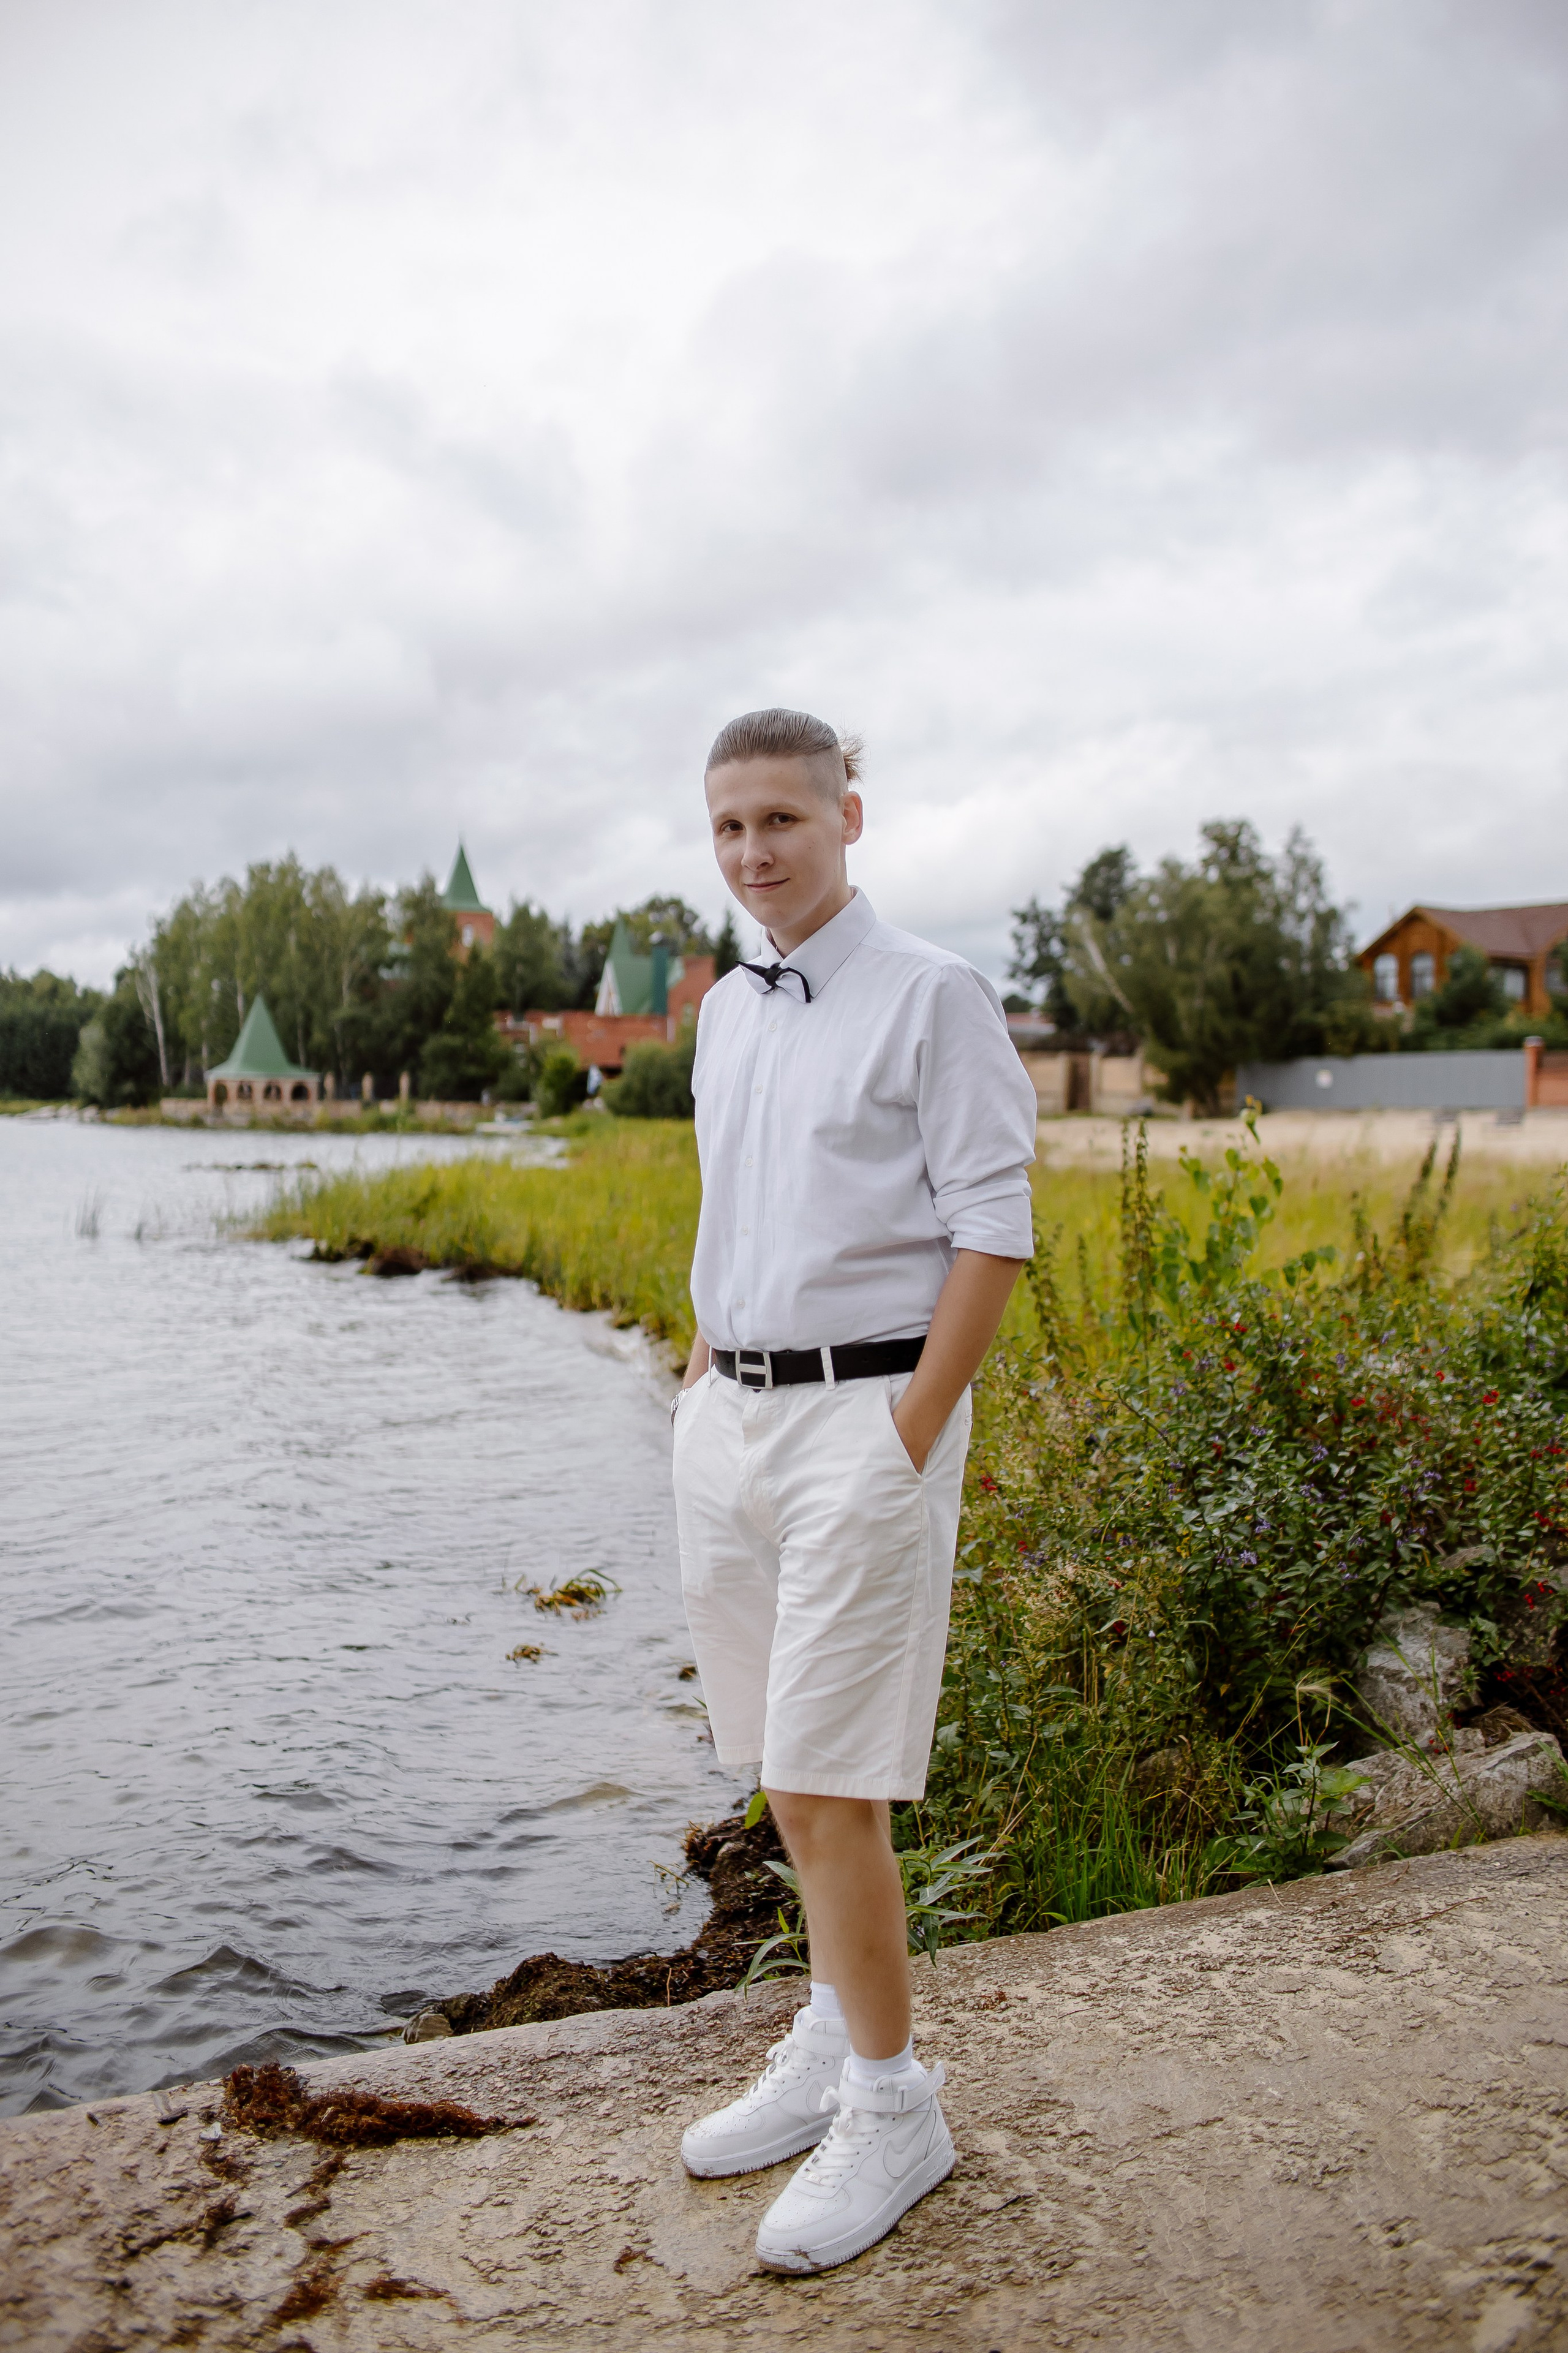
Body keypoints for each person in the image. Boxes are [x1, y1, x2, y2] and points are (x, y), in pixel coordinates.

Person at [670, 708, 1038, 2274]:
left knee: (832, 1782)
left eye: (781, 821)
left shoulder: (930, 996)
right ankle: (830, 2036)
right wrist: (696, 1377)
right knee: (774, 1762)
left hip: (860, 1422)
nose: (755, 852)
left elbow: (993, 1227)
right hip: (730, 1420)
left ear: (847, 816)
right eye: (728, 829)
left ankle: (894, 2107)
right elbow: (736, 1210)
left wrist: (909, 1428)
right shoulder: (722, 1009)